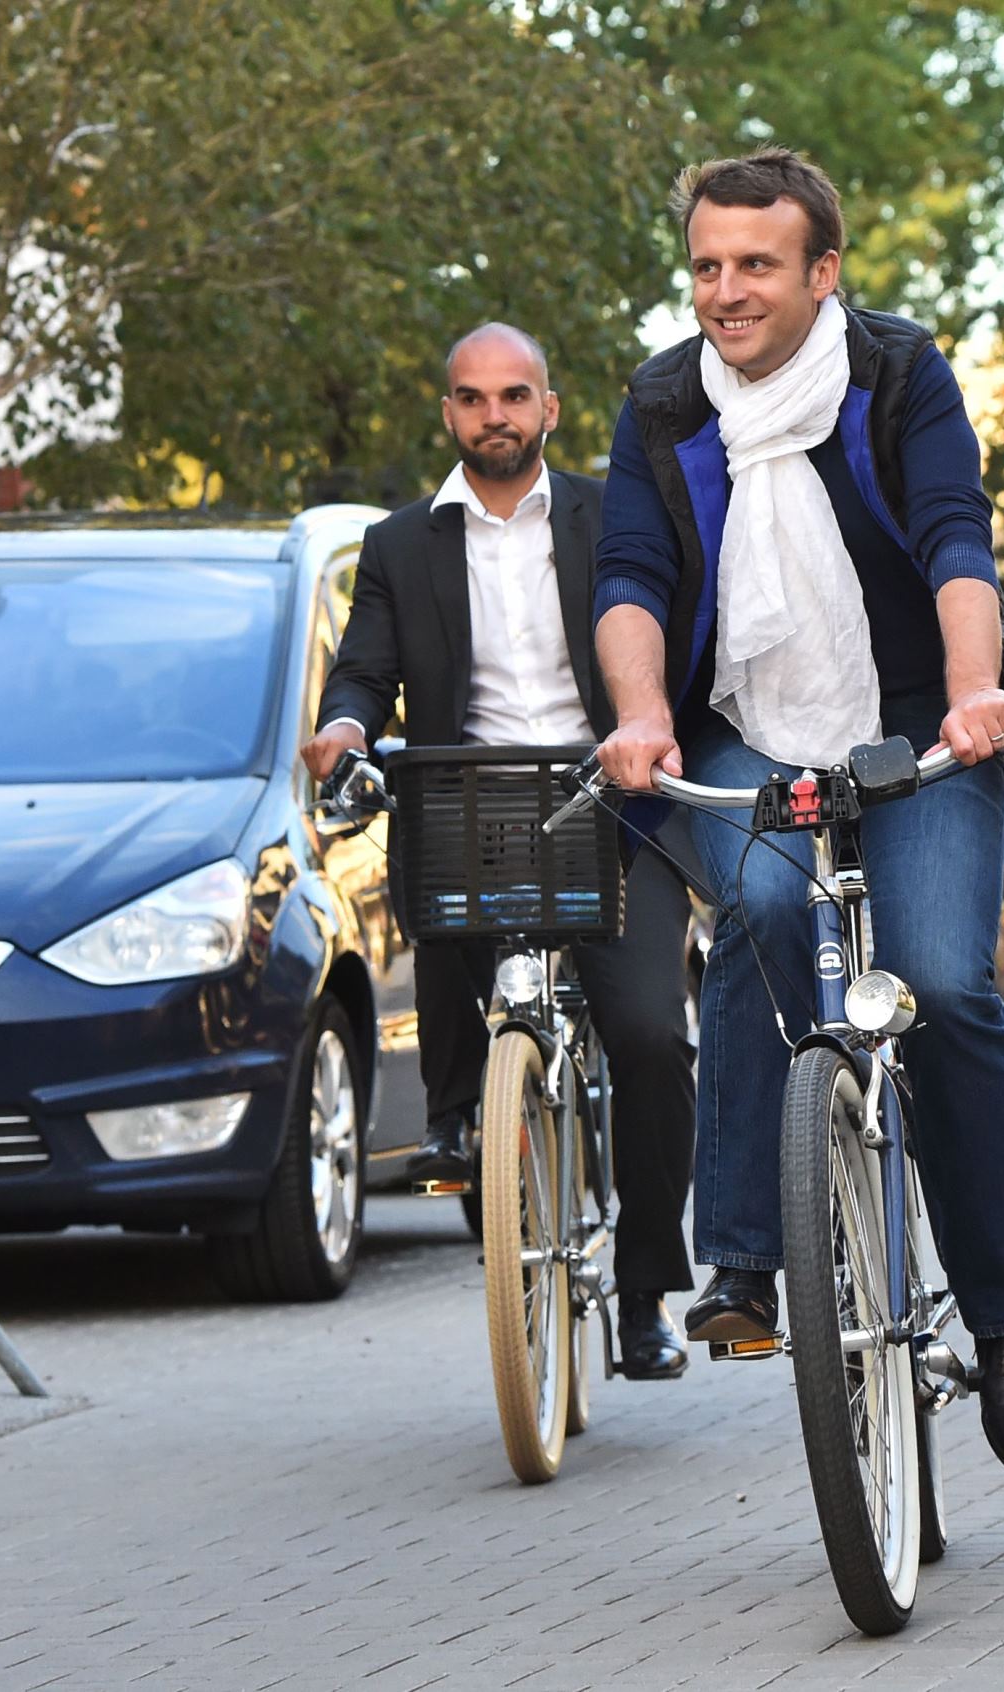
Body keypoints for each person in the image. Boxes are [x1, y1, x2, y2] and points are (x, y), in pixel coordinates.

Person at [589, 146, 1004, 1467]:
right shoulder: (664, 400)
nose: (725, 291)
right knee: (752, 904)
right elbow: (628, 572)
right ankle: (743, 1256)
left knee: (940, 984)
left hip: (916, 724)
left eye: (755, 264)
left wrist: (975, 693)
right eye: (705, 265)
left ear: (821, 272)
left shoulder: (896, 373)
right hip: (743, 728)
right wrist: (638, 716)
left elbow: (952, 533)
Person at [304, 323, 697, 1381]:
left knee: (651, 1037)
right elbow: (361, 674)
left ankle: (651, 1286)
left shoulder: (613, 513)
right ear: (449, 415)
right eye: (473, 400)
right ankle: (455, 1122)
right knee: (437, 885)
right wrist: (343, 730)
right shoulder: (397, 546)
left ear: (549, 409)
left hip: (615, 802)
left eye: (514, 396)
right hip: (474, 803)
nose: (495, 416)